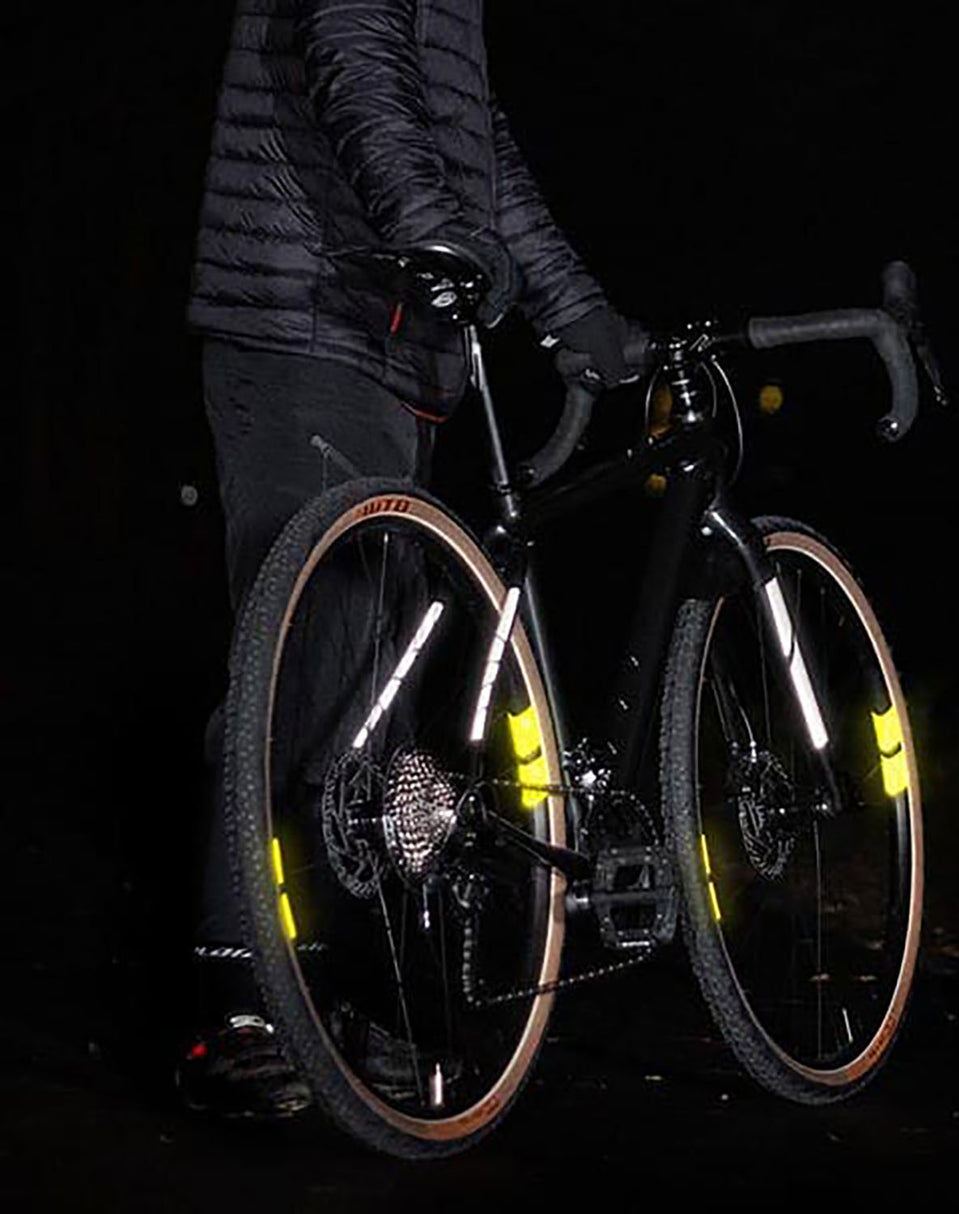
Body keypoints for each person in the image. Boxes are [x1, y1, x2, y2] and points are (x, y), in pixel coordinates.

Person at [179, 0, 638, 1118]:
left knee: (374, 688)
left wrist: (574, 308)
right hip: (307, 312)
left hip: (386, 334)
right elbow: (352, 48)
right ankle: (238, 1008)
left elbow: (467, 132)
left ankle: (333, 996)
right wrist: (434, 233)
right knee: (310, 658)